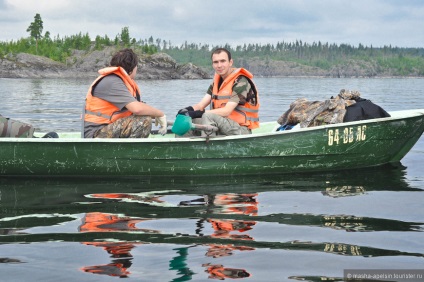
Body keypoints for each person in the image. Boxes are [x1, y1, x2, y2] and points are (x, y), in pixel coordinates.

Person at [83, 48, 167, 138]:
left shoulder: (118, 80)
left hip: (107, 128)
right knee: (143, 121)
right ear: (131, 69)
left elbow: (133, 109)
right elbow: (137, 109)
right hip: (96, 133)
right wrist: (160, 114)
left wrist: (155, 115)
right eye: (136, 66)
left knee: (144, 116)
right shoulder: (112, 82)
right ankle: (130, 151)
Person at [177, 48, 259, 136]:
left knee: (207, 116)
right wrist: (186, 111)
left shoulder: (241, 82)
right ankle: (181, 146)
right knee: (187, 120)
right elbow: (201, 105)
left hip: (240, 129)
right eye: (216, 62)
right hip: (221, 125)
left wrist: (196, 113)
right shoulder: (216, 83)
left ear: (230, 62)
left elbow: (227, 111)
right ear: (212, 64)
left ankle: (209, 147)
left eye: (223, 61)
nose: (219, 65)